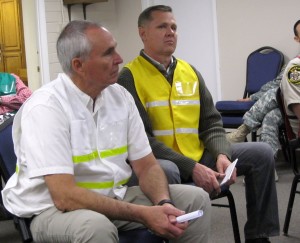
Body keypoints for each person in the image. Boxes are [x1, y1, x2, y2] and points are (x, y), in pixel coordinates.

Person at [1, 20, 211, 243]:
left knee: (195, 199)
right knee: (95, 227)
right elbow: (65, 196)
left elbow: (147, 165)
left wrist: (163, 203)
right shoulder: (46, 107)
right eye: (108, 53)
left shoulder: (120, 97)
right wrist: (143, 214)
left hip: (111, 195)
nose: (119, 59)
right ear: (78, 65)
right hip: (51, 209)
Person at [118, 5, 279, 243]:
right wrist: (192, 167)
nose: (170, 32)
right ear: (142, 33)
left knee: (261, 153)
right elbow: (142, 141)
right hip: (159, 163)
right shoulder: (129, 77)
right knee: (167, 170)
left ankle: (259, 236)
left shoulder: (189, 71)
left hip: (198, 155)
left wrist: (222, 155)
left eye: (173, 27)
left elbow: (211, 123)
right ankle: (169, 235)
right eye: (162, 26)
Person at [226, 19, 300, 160]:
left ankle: (243, 129)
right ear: (297, 39)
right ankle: (268, 163)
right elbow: (276, 83)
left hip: (295, 107)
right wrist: (252, 97)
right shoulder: (294, 64)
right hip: (290, 108)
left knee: (276, 93)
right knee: (269, 117)